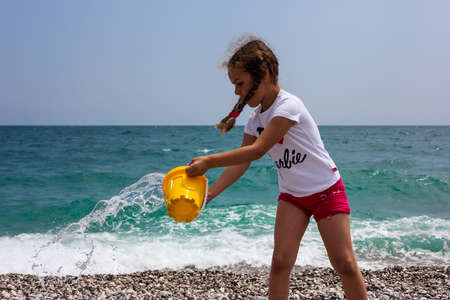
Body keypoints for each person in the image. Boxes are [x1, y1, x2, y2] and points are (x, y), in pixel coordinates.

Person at [185, 36, 367, 300]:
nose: (236, 92)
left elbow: (257, 150)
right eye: (234, 85)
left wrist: (208, 161)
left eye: (240, 83)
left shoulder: (288, 106)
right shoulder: (254, 119)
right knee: (280, 262)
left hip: (326, 190)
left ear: (265, 75)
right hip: (293, 197)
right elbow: (242, 161)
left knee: (344, 263)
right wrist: (210, 194)